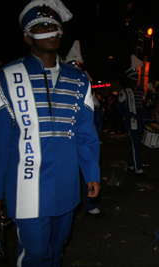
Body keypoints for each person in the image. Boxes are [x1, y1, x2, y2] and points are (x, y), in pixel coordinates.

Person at [0, 1, 101, 266]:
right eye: (42, 27)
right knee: (36, 254)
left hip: (66, 186)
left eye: (54, 27)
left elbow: (86, 133)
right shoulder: (5, 77)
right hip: (24, 186)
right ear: (28, 37)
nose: (50, 32)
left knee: (56, 250)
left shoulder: (79, 79)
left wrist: (91, 174)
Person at [64, 40, 104, 218]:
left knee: (88, 171)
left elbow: (95, 115)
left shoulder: (85, 87)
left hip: (83, 138)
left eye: (78, 66)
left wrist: (99, 133)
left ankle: (90, 204)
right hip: (65, 140)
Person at [117, 54, 149, 174]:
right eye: (134, 76)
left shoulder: (141, 92)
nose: (136, 78)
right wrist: (133, 116)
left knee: (136, 144)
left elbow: (142, 107)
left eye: (137, 76)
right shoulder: (124, 91)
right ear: (129, 77)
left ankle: (131, 163)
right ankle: (137, 167)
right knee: (135, 144)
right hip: (131, 122)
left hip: (140, 122)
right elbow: (120, 109)